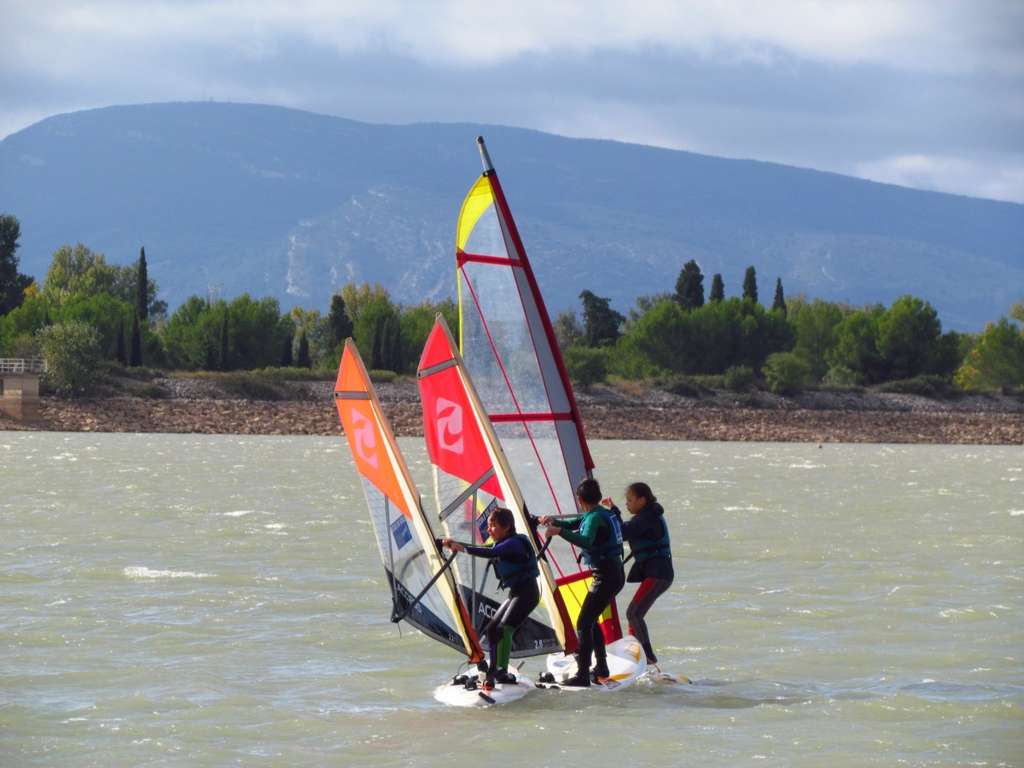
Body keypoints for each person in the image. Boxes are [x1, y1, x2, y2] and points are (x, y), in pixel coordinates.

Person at [442, 507, 540, 690]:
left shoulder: (514, 544)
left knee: (505, 627)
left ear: (507, 526)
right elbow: (486, 548)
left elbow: (490, 553)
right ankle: (496, 669)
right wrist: (453, 544)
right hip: (516, 593)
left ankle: (501, 670)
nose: (489, 530)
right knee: (493, 628)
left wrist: (462, 548)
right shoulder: (502, 543)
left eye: (493, 526)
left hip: (528, 593)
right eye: (488, 526)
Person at [540, 478, 624, 687]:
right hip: (611, 574)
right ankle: (601, 667)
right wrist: (553, 521)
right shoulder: (598, 513)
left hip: (607, 577)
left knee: (583, 623)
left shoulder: (596, 518)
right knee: (590, 620)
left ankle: (583, 675)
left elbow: (585, 540)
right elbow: (576, 523)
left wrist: (559, 532)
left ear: (580, 499)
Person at [617, 482, 674, 672]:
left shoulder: (647, 517)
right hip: (658, 574)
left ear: (642, 500)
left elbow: (624, 532)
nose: (628, 504)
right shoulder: (648, 514)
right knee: (635, 613)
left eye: (630, 500)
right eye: (626, 501)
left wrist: (613, 513)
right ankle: (637, 653)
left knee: (633, 613)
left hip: (658, 575)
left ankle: (647, 656)